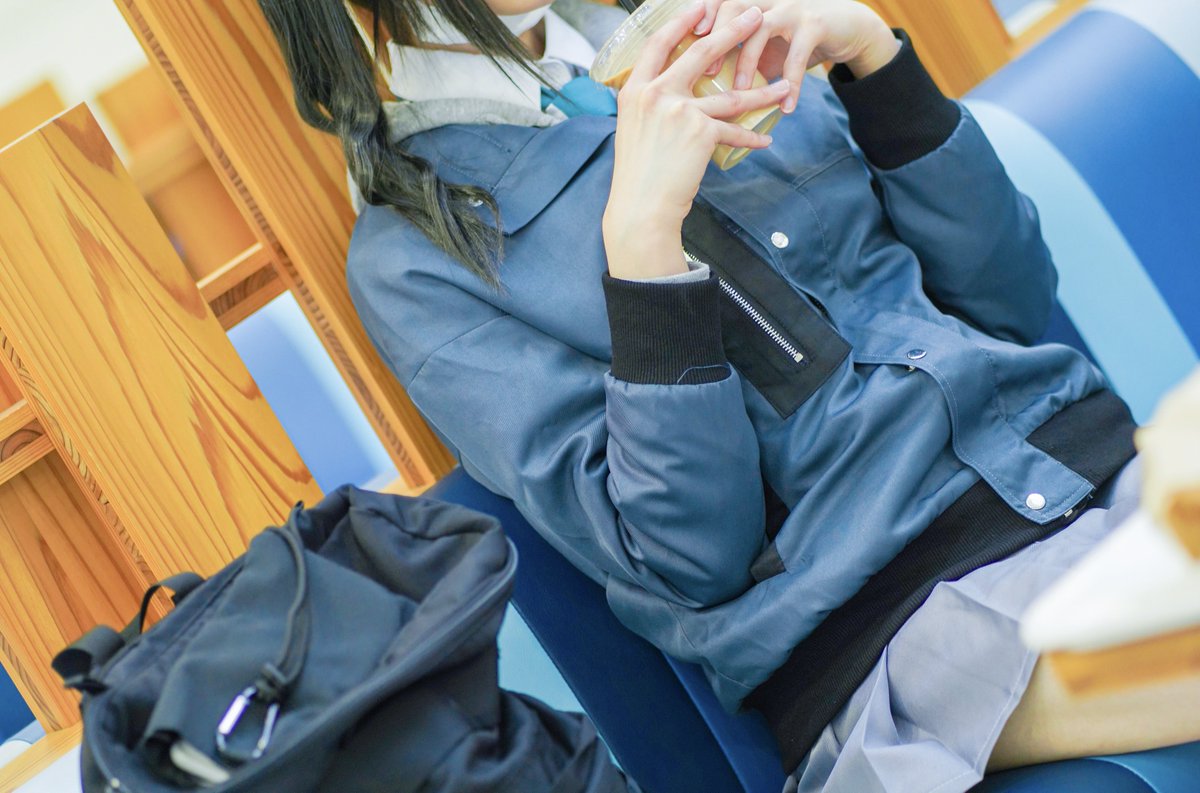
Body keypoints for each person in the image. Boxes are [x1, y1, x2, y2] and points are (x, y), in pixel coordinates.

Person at [258, 0, 1200, 790]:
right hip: (902, 628)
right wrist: (644, 250)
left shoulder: (710, 29)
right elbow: (689, 557)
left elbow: (1011, 303)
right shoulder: (416, 259)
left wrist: (874, 58)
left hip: (1090, 484)